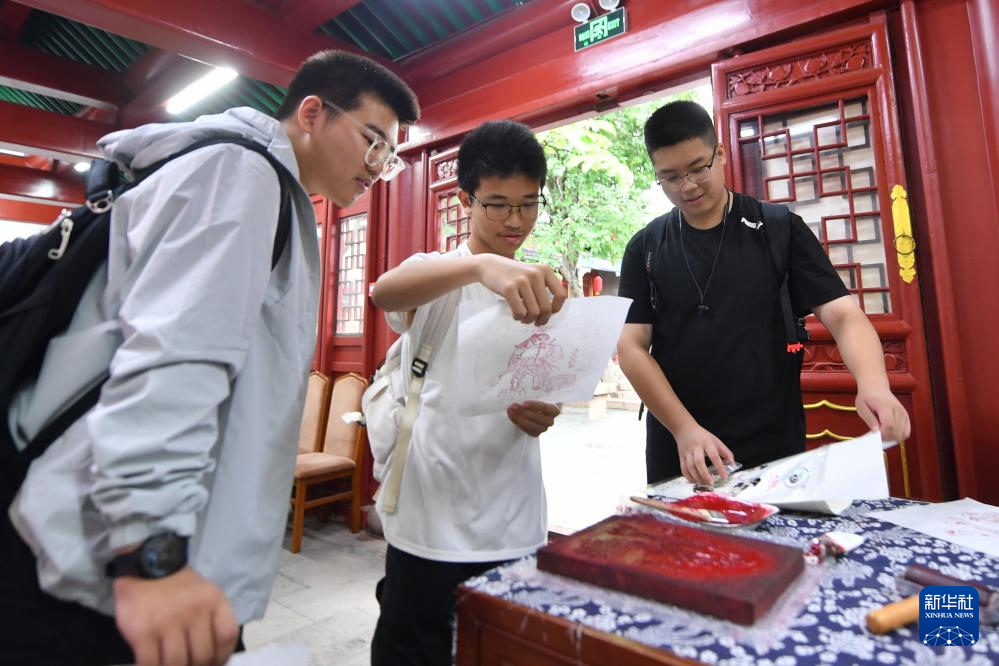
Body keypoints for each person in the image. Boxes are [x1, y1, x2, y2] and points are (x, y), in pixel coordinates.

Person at [0, 50, 418, 666]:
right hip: (93, 567)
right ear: (312, 113)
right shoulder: (241, 175)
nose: (378, 169)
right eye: (373, 142)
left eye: (389, 156)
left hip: (127, 557)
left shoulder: (265, 187)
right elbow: (175, 361)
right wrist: (152, 554)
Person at [616, 100, 910, 488]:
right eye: (670, 177)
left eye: (699, 168)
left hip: (771, 441)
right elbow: (631, 347)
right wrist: (684, 428)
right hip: (680, 445)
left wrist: (873, 384)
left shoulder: (778, 229)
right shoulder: (646, 246)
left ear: (720, 154)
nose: (687, 186)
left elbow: (843, 316)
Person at [368, 119, 567, 666]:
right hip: (430, 519)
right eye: (497, 205)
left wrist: (543, 411)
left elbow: (548, 387)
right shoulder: (437, 273)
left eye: (528, 204)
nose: (515, 221)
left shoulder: (543, 289)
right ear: (465, 200)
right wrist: (479, 266)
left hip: (515, 519)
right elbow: (384, 293)